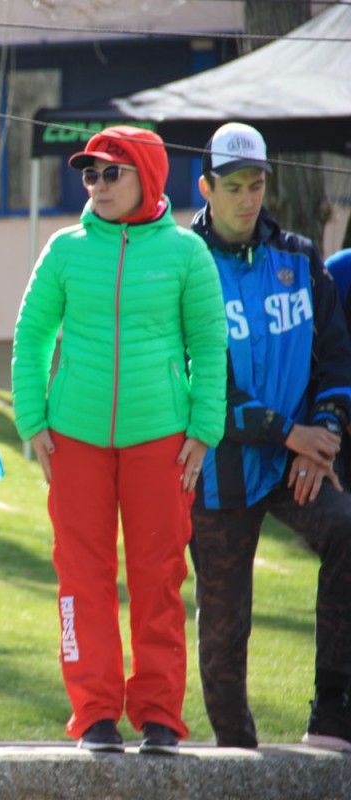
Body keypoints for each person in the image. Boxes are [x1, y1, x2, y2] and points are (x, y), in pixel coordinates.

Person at [12, 125, 228, 755]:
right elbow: (30, 336)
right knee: (82, 578)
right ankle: (95, 714)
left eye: (112, 172)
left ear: (148, 177)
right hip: (74, 440)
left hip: (161, 442)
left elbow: (209, 344)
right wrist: (33, 422)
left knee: (158, 580)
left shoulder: (187, 253)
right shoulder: (64, 249)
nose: (98, 185)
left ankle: (160, 715)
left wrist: (204, 430)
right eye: (91, 174)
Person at [189, 122, 351, 753]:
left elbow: (335, 356)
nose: (248, 198)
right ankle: (237, 755)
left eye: (256, 184)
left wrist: (325, 433)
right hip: (218, 470)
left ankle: (333, 710)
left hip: (296, 463)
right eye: (233, 187)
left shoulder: (300, 257)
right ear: (206, 188)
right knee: (224, 631)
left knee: (347, 531)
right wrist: (292, 435)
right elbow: (202, 387)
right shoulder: (183, 263)